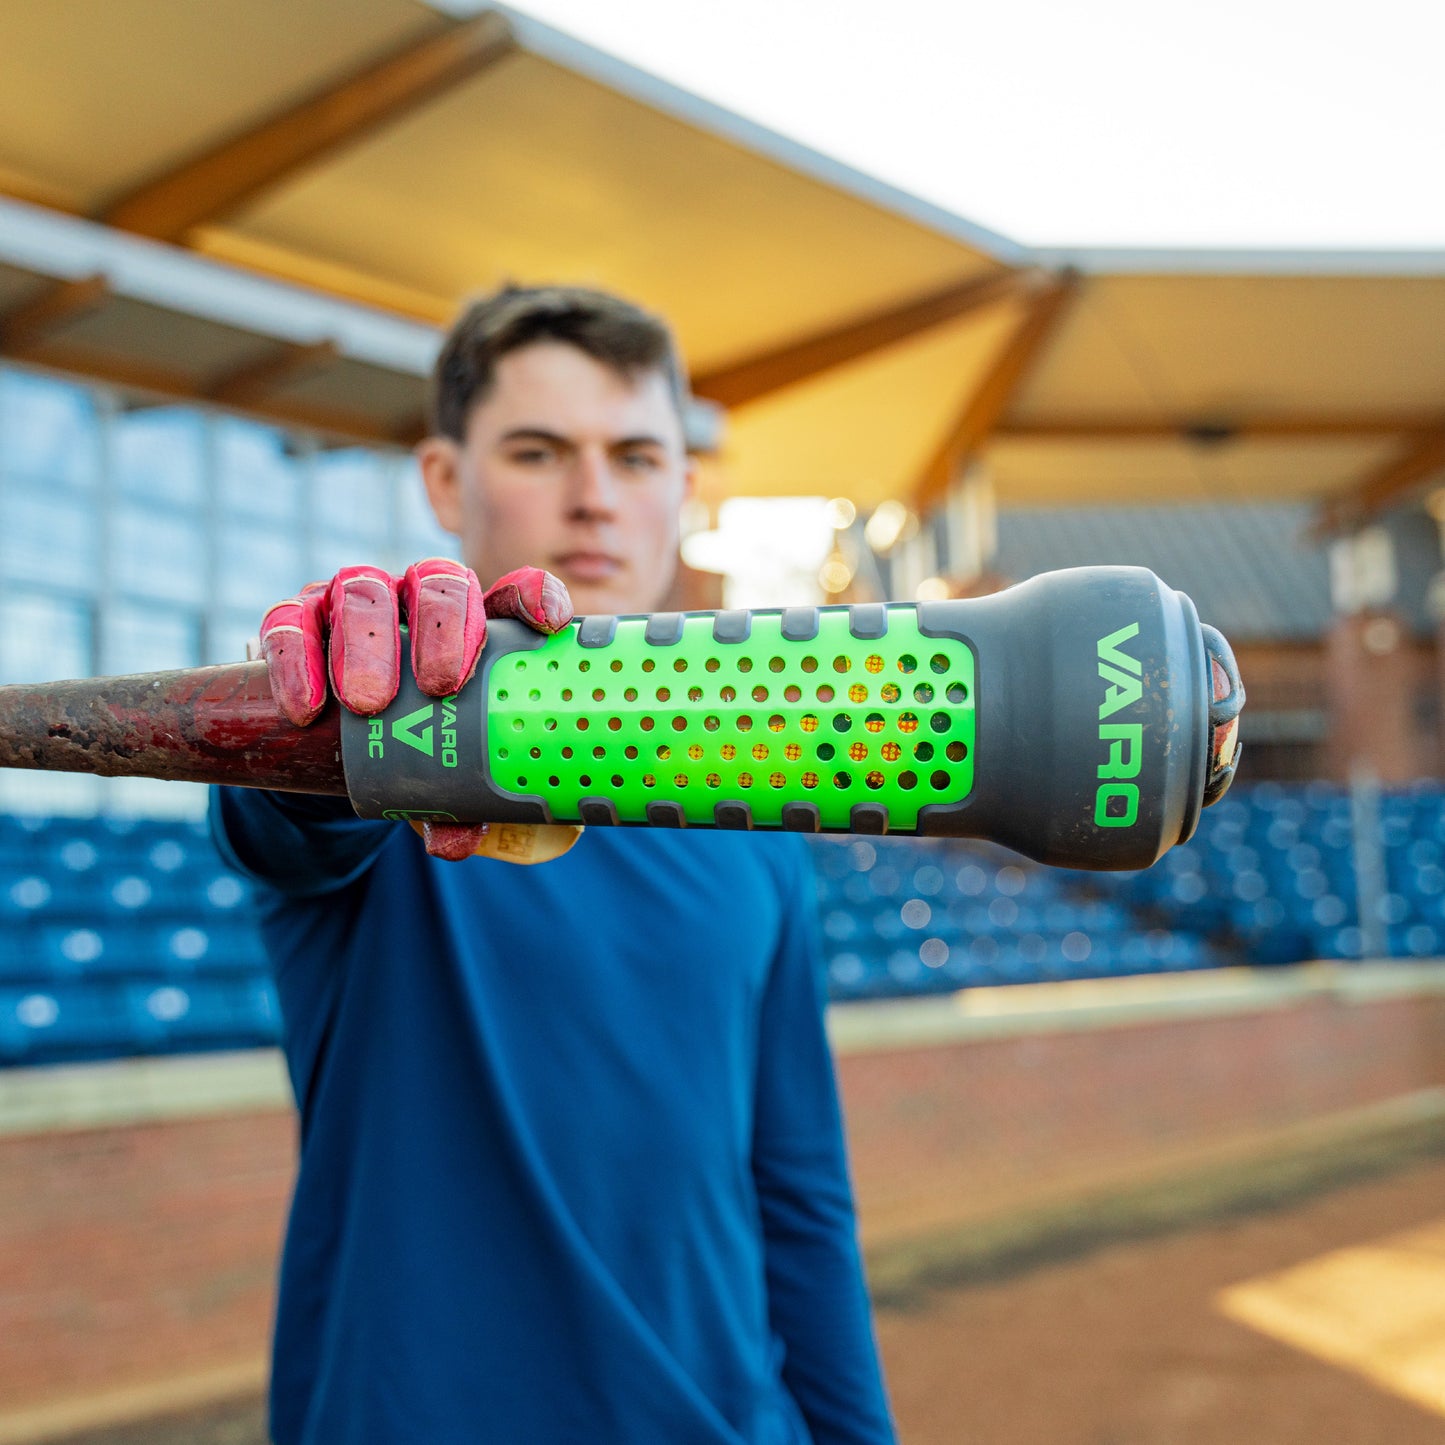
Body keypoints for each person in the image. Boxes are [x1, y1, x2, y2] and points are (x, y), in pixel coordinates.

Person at [211, 285, 897, 1445]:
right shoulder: (378, 757)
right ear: (444, 479)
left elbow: (798, 1191)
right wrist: (326, 708)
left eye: (635, 456)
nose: (593, 496)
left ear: (681, 489)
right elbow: (283, 821)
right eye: (537, 450)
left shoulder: (760, 809)